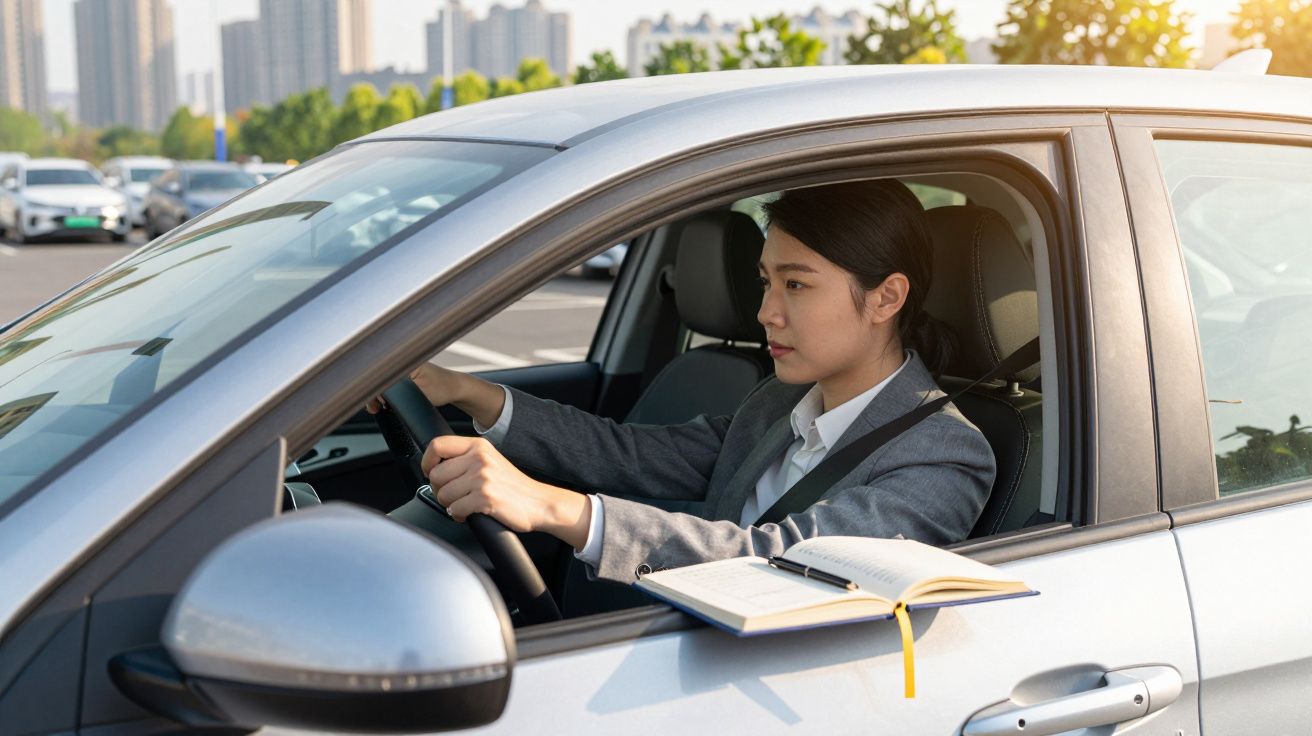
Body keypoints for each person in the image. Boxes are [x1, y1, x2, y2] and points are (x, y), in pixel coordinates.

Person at [370, 179, 996, 585]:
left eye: (796, 284)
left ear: (886, 298)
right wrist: (468, 392)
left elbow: (780, 561)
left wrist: (552, 507)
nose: (766, 312)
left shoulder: (944, 455)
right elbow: (635, 455)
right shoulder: (780, 402)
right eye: (765, 281)